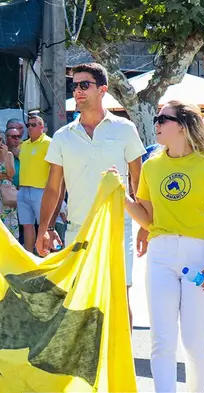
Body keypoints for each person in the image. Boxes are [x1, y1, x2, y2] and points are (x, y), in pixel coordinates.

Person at [123, 101, 204, 393]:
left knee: (195, 339)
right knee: (161, 339)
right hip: (161, 254)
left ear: (182, 125)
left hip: (200, 255)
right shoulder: (153, 165)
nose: (156, 124)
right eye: (156, 119)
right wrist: (121, 197)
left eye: (162, 119)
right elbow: (148, 218)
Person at [38, 62, 146, 328]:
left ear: (103, 90)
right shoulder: (62, 136)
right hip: (77, 229)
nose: (78, 91)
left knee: (119, 298)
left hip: (118, 229)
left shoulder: (124, 129)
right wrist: (45, 228)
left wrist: (146, 224)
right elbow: (54, 188)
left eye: (84, 85)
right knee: (78, 301)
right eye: (75, 86)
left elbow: (139, 182)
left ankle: (121, 366)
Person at [16, 113, 51, 253]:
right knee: (27, 225)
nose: (30, 128)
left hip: (41, 190)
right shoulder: (24, 145)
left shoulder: (49, 143)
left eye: (34, 125)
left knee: (44, 225)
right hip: (23, 189)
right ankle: (30, 256)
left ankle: (45, 256)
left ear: (42, 127)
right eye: (28, 125)